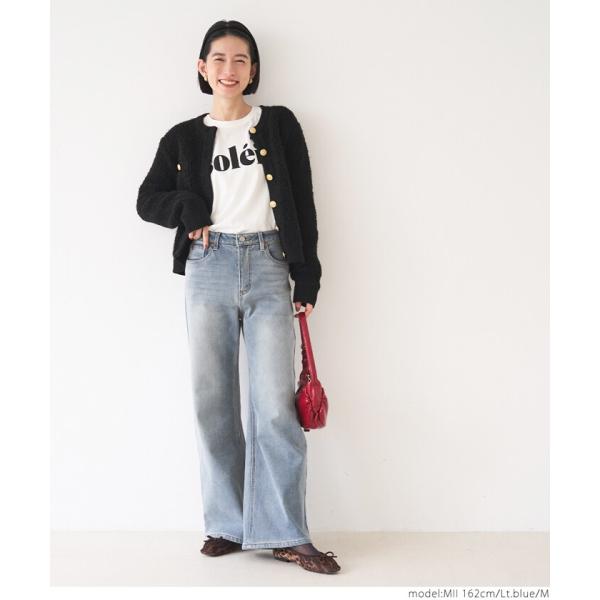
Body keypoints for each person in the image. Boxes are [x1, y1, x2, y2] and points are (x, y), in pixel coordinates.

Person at [136, 20, 340, 575]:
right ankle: (227, 524)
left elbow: (303, 202)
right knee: (213, 400)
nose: (230, 69)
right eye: (220, 59)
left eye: (241, 60)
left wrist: (307, 275)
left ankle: (286, 533)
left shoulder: (279, 123)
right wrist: (188, 210)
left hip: (271, 263)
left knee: (274, 405)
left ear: (253, 70)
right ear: (202, 67)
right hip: (209, 266)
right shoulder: (182, 137)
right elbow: (148, 199)